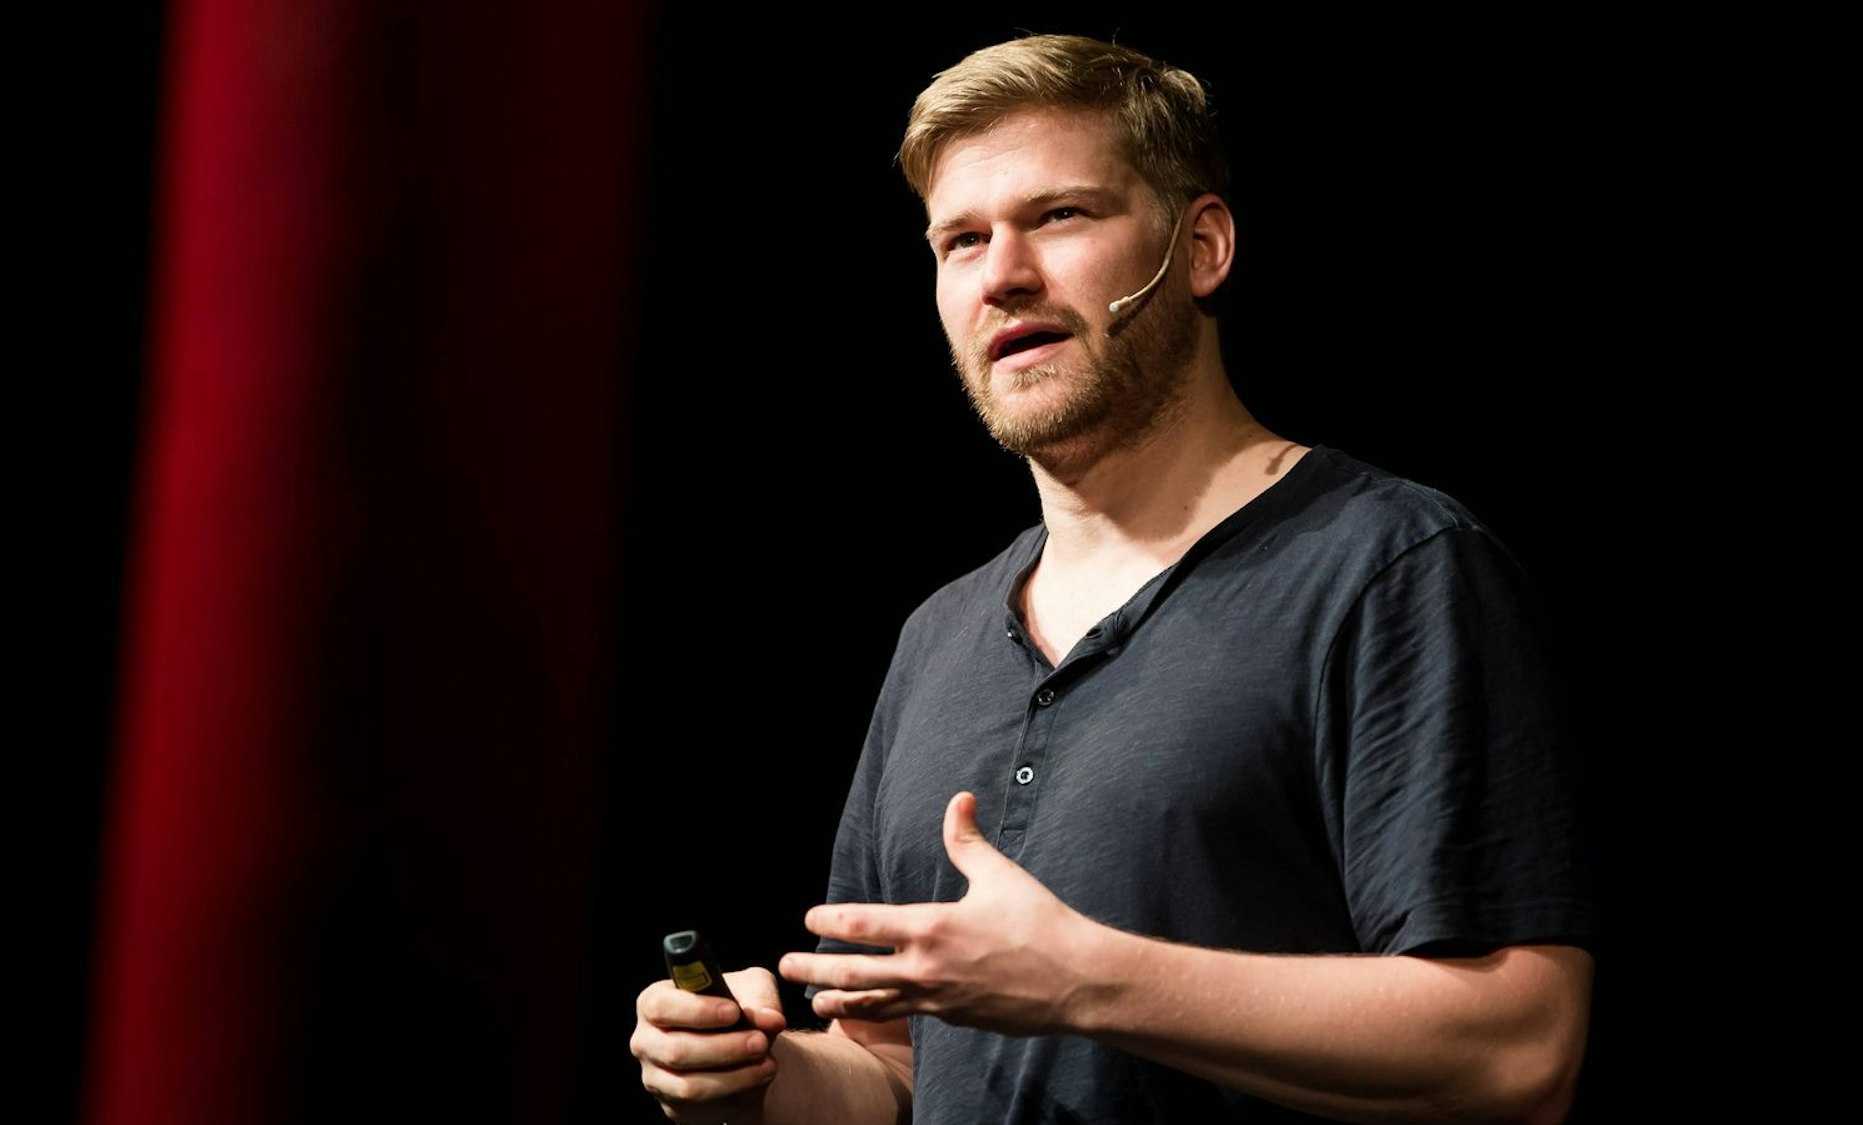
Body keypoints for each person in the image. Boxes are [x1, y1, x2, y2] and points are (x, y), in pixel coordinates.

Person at [630, 31, 1596, 1125]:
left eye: (1059, 216)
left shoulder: (1387, 569)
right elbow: (898, 1067)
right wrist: (757, 1079)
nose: (1002, 274)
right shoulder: (937, 637)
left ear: (1201, 247)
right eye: (960, 240)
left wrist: (1086, 981)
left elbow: (1519, 1051)